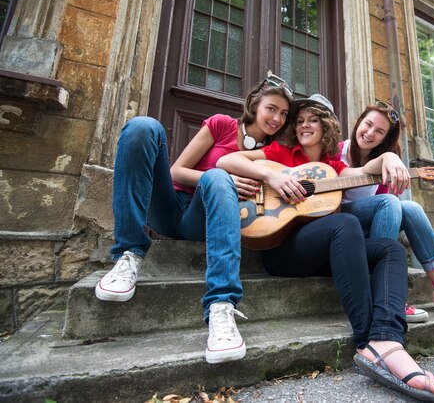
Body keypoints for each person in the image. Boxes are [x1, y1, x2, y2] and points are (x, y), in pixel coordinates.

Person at [217, 94, 434, 402]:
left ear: (324, 125)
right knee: (346, 224)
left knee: (390, 250)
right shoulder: (282, 152)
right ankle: (368, 340)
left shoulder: (333, 166)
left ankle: (388, 337)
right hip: (282, 250)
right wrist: (272, 174)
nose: (304, 125)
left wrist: (390, 159)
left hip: (323, 254)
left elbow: (363, 172)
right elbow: (225, 161)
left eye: (312, 119)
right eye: (299, 121)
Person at [94, 74, 293, 364]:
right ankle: (129, 253)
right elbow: (176, 172)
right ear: (254, 105)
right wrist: (228, 180)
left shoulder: (272, 154)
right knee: (142, 127)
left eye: (284, 114)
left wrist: (227, 181)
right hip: (169, 206)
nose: (277, 118)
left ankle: (221, 304)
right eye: (271, 108)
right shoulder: (222, 124)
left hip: (203, 221)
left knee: (217, 176)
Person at [334, 101, 434, 316]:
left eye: (379, 131)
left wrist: (391, 162)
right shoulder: (337, 150)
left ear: (385, 138)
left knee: (410, 207)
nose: (370, 133)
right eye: (368, 124)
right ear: (358, 123)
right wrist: (388, 158)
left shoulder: (386, 167)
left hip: (368, 230)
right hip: (339, 222)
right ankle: (385, 292)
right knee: (390, 202)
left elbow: (386, 214)